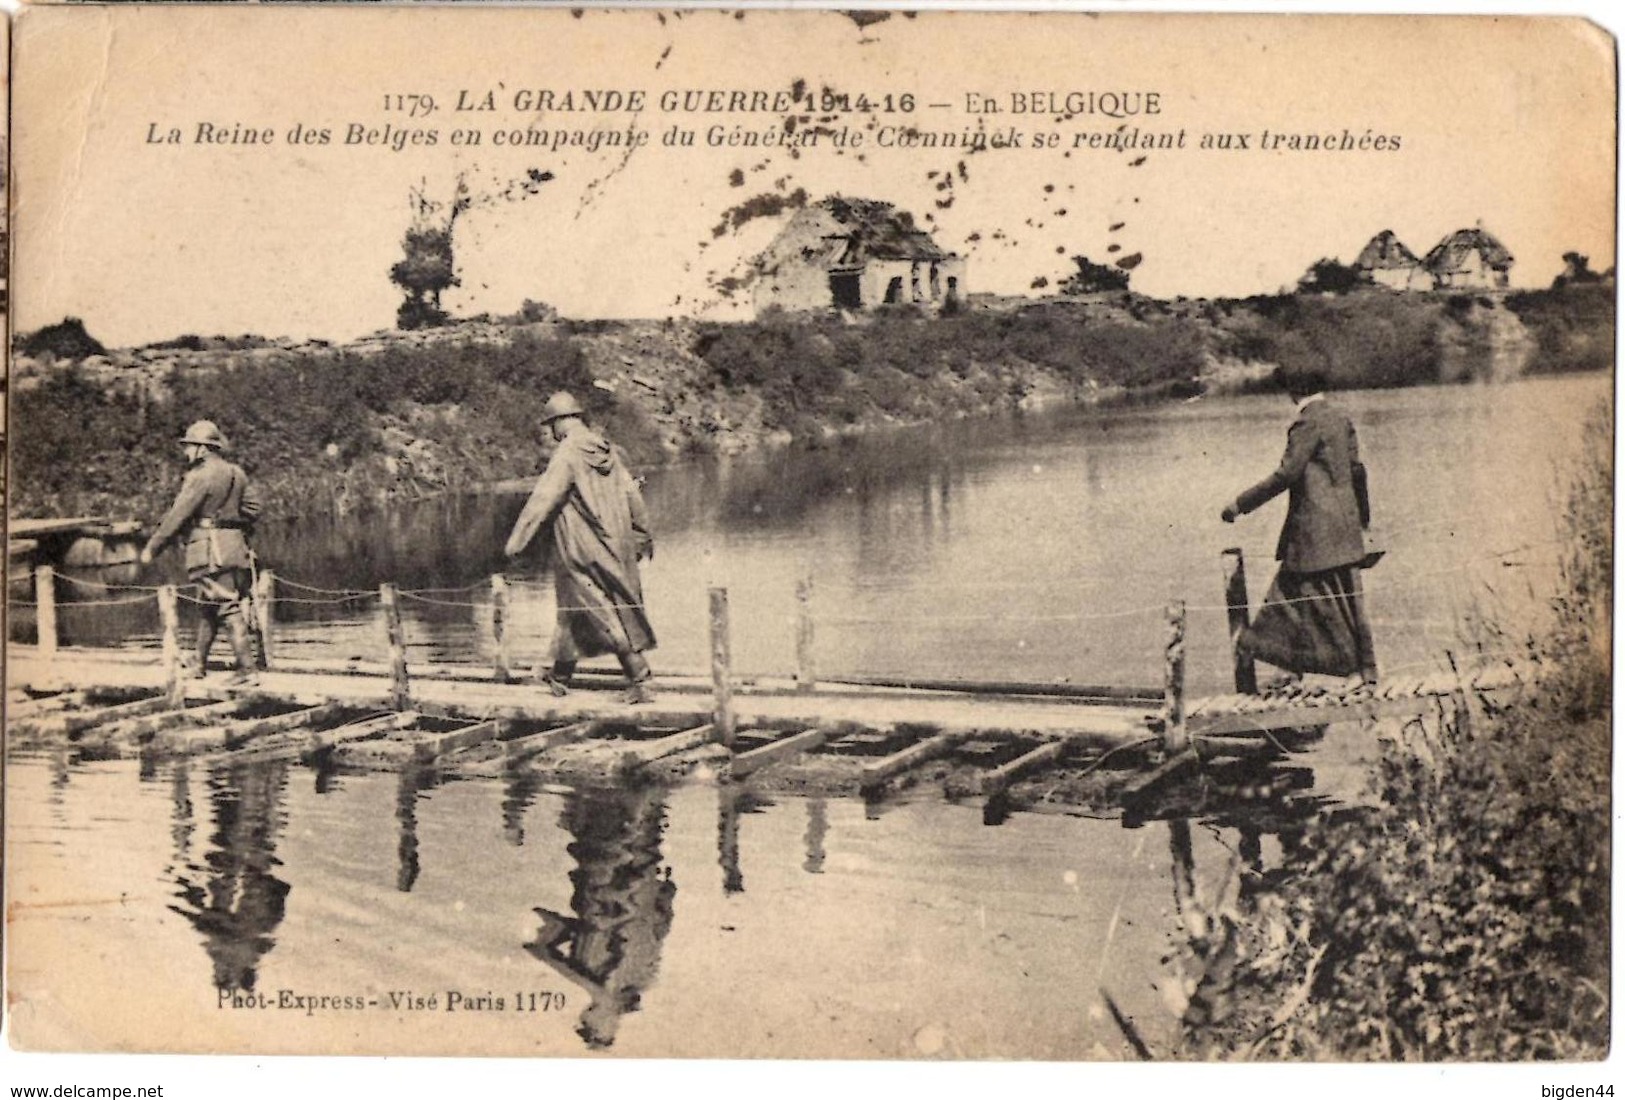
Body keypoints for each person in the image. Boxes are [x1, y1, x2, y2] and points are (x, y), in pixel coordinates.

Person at [1220, 367, 1378, 687]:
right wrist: (1363, 520)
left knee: (1295, 596)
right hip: (1343, 530)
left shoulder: (1306, 422)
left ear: (1293, 392)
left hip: (1314, 531)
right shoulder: (1340, 418)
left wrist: (1240, 504)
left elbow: (1286, 475)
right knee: (1342, 599)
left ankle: (1329, 668)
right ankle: (1352, 670)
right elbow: (1357, 471)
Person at [504, 392, 657, 704]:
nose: (550, 433)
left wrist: (515, 545)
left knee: (597, 609)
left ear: (560, 422)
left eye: (551, 425)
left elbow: (543, 501)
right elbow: (633, 497)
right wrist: (642, 536)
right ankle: (560, 675)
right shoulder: (607, 449)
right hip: (615, 543)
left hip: (581, 548)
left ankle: (639, 678)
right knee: (576, 610)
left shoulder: (567, 454)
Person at [140, 419, 262, 684]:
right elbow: (254, 509)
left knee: (226, 607)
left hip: (209, 551)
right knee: (208, 607)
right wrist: (231, 523)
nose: (186, 452)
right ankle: (199, 665)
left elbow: (177, 516)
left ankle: (247, 669)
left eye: (189, 446)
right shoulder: (236, 473)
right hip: (235, 548)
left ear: (203, 449)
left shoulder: (198, 476)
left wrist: (152, 548)